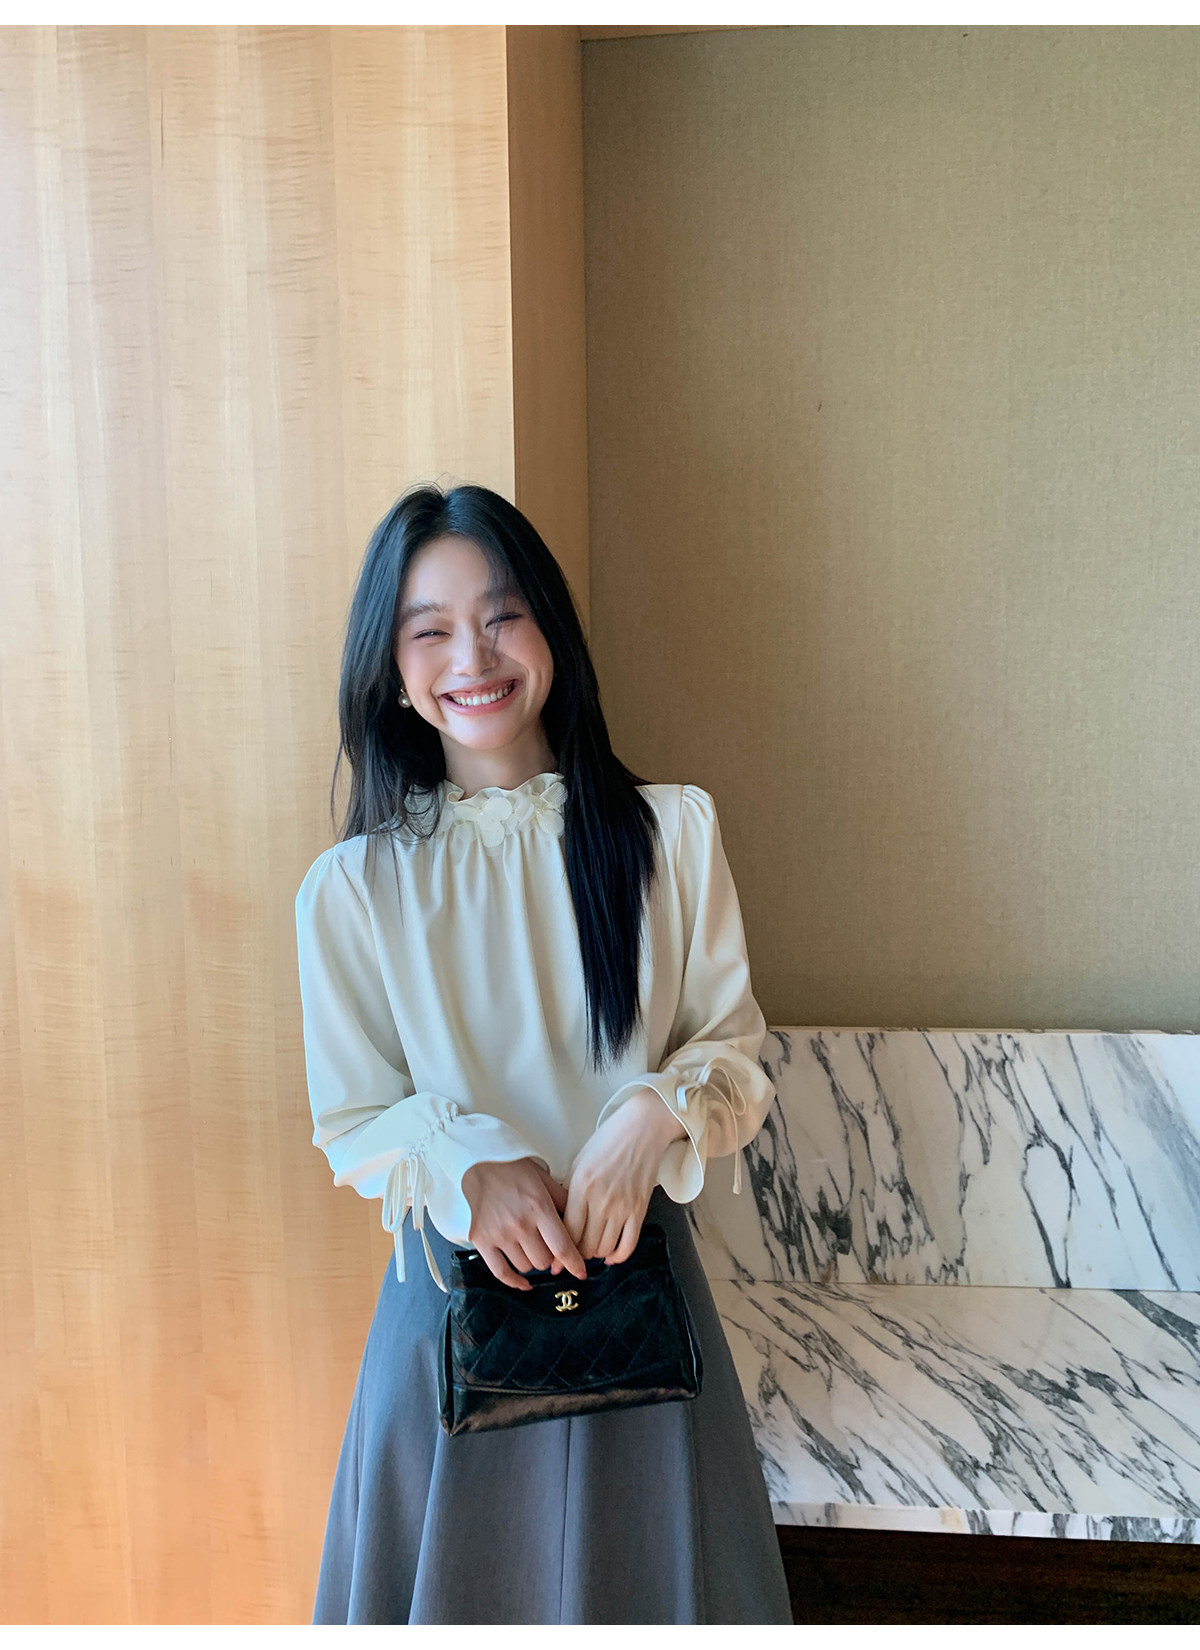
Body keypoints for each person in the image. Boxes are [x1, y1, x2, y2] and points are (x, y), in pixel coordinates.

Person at [294, 481, 793, 1625]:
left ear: (551, 631)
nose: (472, 656)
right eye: (429, 630)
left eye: (502, 615)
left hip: (642, 1301)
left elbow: (732, 1053)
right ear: (392, 669)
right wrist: (471, 1163)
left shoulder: (671, 834)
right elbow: (354, 1119)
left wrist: (646, 1119)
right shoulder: (355, 888)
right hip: (451, 1314)